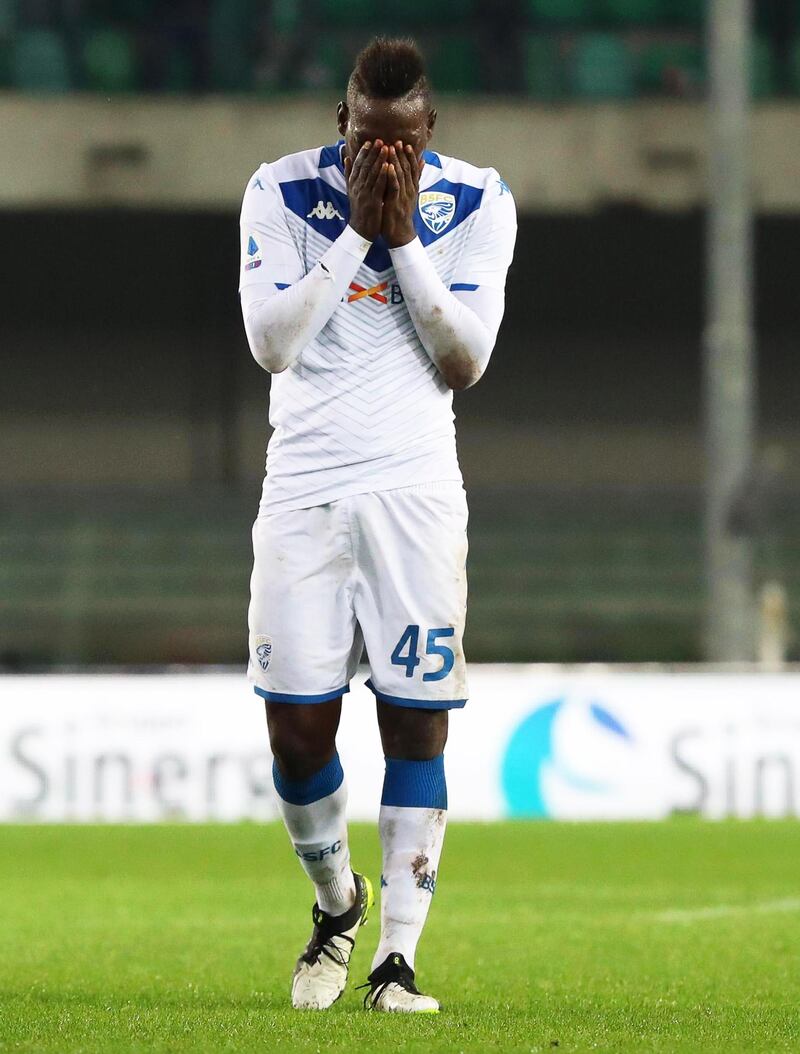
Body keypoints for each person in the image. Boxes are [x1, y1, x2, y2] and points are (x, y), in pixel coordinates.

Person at [239, 35, 516, 1013]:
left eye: (400, 141)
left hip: (413, 495)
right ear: (341, 125)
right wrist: (356, 232)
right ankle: (335, 901)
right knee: (298, 732)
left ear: (427, 129)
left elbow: (464, 361)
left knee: (415, 720)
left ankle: (395, 959)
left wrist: (400, 238)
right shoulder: (277, 191)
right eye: (366, 137)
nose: (383, 156)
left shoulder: (479, 201)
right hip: (305, 495)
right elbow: (270, 344)